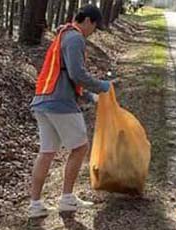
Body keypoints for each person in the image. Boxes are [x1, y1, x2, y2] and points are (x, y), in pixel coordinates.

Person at [28, 4, 113, 219]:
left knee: (46, 152)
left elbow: (63, 74)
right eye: (94, 27)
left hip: (42, 100)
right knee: (80, 147)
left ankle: (35, 204)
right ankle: (66, 198)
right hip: (60, 103)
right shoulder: (75, 38)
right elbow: (77, 73)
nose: (93, 32)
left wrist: (89, 96)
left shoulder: (62, 36)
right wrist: (103, 86)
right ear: (87, 21)